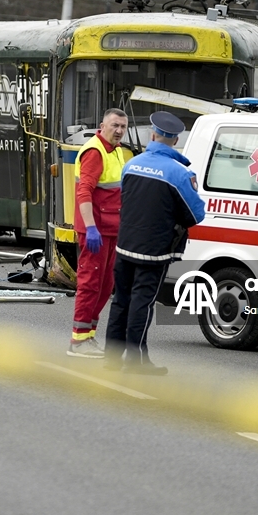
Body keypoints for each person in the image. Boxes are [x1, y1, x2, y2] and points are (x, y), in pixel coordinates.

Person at [105, 111, 206, 375]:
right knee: (142, 304)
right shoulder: (179, 174)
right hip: (154, 251)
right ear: (175, 141)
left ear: (152, 135)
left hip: (124, 244)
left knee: (121, 301)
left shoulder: (132, 164)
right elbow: (195, 215)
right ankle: (135, 362)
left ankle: (113, 359)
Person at [68, 108, 129, 358]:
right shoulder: (95, 151)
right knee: (90, 284)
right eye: (114, 125)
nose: (119, 131)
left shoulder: (116, 151)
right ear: (102, 125)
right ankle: (78, 340)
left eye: (123, 127)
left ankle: (88, 336)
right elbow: (84, 192)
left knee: (105, 286)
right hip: (96, 231)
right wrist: (90, 227)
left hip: (111, 229)